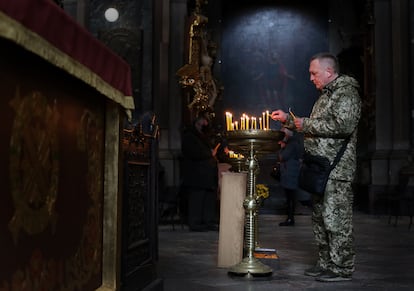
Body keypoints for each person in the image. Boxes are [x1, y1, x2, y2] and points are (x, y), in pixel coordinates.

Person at [271, 52, 361, 282]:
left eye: (314, 73)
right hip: (320, 168)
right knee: (320, 219)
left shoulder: (346, 92)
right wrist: (289, 121)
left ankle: (341, 267)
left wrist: (303, 123)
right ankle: (325, 262)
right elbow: (316, 126)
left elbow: (344, 125)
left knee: (336, 220)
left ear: (329, 72)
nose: (311, 78)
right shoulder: (325, 96)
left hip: (336, 169)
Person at [181, 115, 220, 232]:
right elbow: (193, 152)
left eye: (206, 121)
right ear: (197, 122)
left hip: (207, 174)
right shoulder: (189, 136)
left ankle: (208, 221)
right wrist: (210, 154)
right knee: (197, 199)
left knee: (208, 199)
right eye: (204, 121)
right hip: (197, 175)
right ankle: (195, 223)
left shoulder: (204, 136)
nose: (206, 123)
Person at [277, 127, 303, 226]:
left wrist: (281, 148)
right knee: (290, 197)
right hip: (290, 173)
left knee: (290, 197)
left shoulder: (292, 144)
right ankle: (289, 218)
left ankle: (290, 219)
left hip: (290, 174)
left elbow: (282, 157)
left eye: (283, 132)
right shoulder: (294, 142)